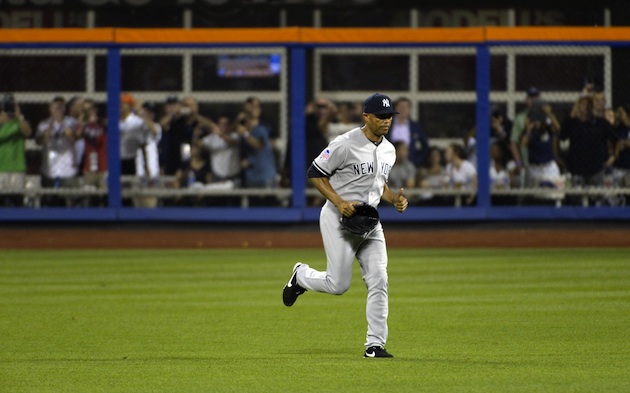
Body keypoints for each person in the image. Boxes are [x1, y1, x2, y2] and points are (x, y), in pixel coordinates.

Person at [282, 93, 408, 359]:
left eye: (389, 116)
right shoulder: (345, 143)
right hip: (338, 218)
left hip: (370, 222)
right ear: (366, 117)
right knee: (338, 285)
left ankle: (374, 345)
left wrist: (394, 198)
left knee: (380, 280)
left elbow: (378, 184)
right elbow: (315, 172)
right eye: (381, 116)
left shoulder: (389, 149)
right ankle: (300, 276)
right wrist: (338, 201)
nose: (386, 121)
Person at [559, 96, 617, 188]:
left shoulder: (601, 123)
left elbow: (615, 139)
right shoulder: (572, 123)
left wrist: (612, 157)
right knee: (576, 198)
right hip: (576, 168)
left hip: (596, 168)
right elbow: (562, 136)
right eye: (583, 105)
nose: (585, 108)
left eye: (588, 105)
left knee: (597, 198)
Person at [36, 96, 80, 206]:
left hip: (67, 168)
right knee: (49, 200)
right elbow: (39, 141)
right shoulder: (44, 124)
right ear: (50, 108)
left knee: (72, 199)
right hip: (49, 169)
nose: (58, 110)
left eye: (61, 107)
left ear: (64, 109)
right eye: (55, 107)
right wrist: (49, 130)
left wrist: (68, 132)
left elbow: (75, 138)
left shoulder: (71, 122)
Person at [0, 93, 32, 206]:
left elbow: (28, 132)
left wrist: (19, 116)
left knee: (17, 201)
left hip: (17, 167)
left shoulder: (19, 122)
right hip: (1, 168)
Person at [521, 99, 561, 188]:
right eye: (535, 121)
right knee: (533, 196)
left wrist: (549, 113)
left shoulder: (548, 129)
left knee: (555, 193)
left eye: (539, 121)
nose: (537, 123)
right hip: (534, 167)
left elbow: (558, 128)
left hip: (549, 166)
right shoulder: (530, 131)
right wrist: (528, 129)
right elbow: (523, 143)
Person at [77, 99, 108, 204]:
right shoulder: (84, 125)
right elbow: (77, 135)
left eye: (90, 109)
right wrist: (82, 122)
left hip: (104, 166)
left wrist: (99, 121)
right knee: (89, 198)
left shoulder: (103, 123)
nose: (89, 112)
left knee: (104, 196)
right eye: (85, 110)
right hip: (89, 166)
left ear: (95, 109)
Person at [237, 111, 277, 189]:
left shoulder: (260, 130)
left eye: (244, 121)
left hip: (265, 177)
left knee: (268, 200)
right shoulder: (243, 137)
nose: (243, 125)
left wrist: (245, 134)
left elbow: (259, 145)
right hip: (252, 178)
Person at [510, 87, 541, 185]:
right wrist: (519, 163)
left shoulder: (545, 116)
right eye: (530, 97)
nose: (532, 100)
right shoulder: (520, 118)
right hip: (526, 164)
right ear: (526, 100)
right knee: (525, 194)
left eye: (535, 97)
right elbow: (513, 142)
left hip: (543, 163)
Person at [389, 97, 430, 168]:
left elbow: (425, 144)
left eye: (406, 107)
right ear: (395, 108)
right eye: (401, 107)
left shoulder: (415, 126)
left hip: (409, 164)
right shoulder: (387, 125)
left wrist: (416, 161)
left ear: (409, 110)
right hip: (390, 163)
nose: (403, 110)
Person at [201, 114, 241, 186]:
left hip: (234, 176)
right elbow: (199, 145)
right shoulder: (211, 138)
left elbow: (234, 142)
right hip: (218, 176)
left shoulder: (234, 135)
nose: (224, 126)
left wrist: (221, 135)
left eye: (226, 124)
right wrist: (196, 133)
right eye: (221, 124)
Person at [613, 104, 630, 187]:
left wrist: (623, 143)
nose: (618, 115)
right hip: (620, 167)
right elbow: (616, 144)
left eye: (621, 112)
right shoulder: (619, 129)